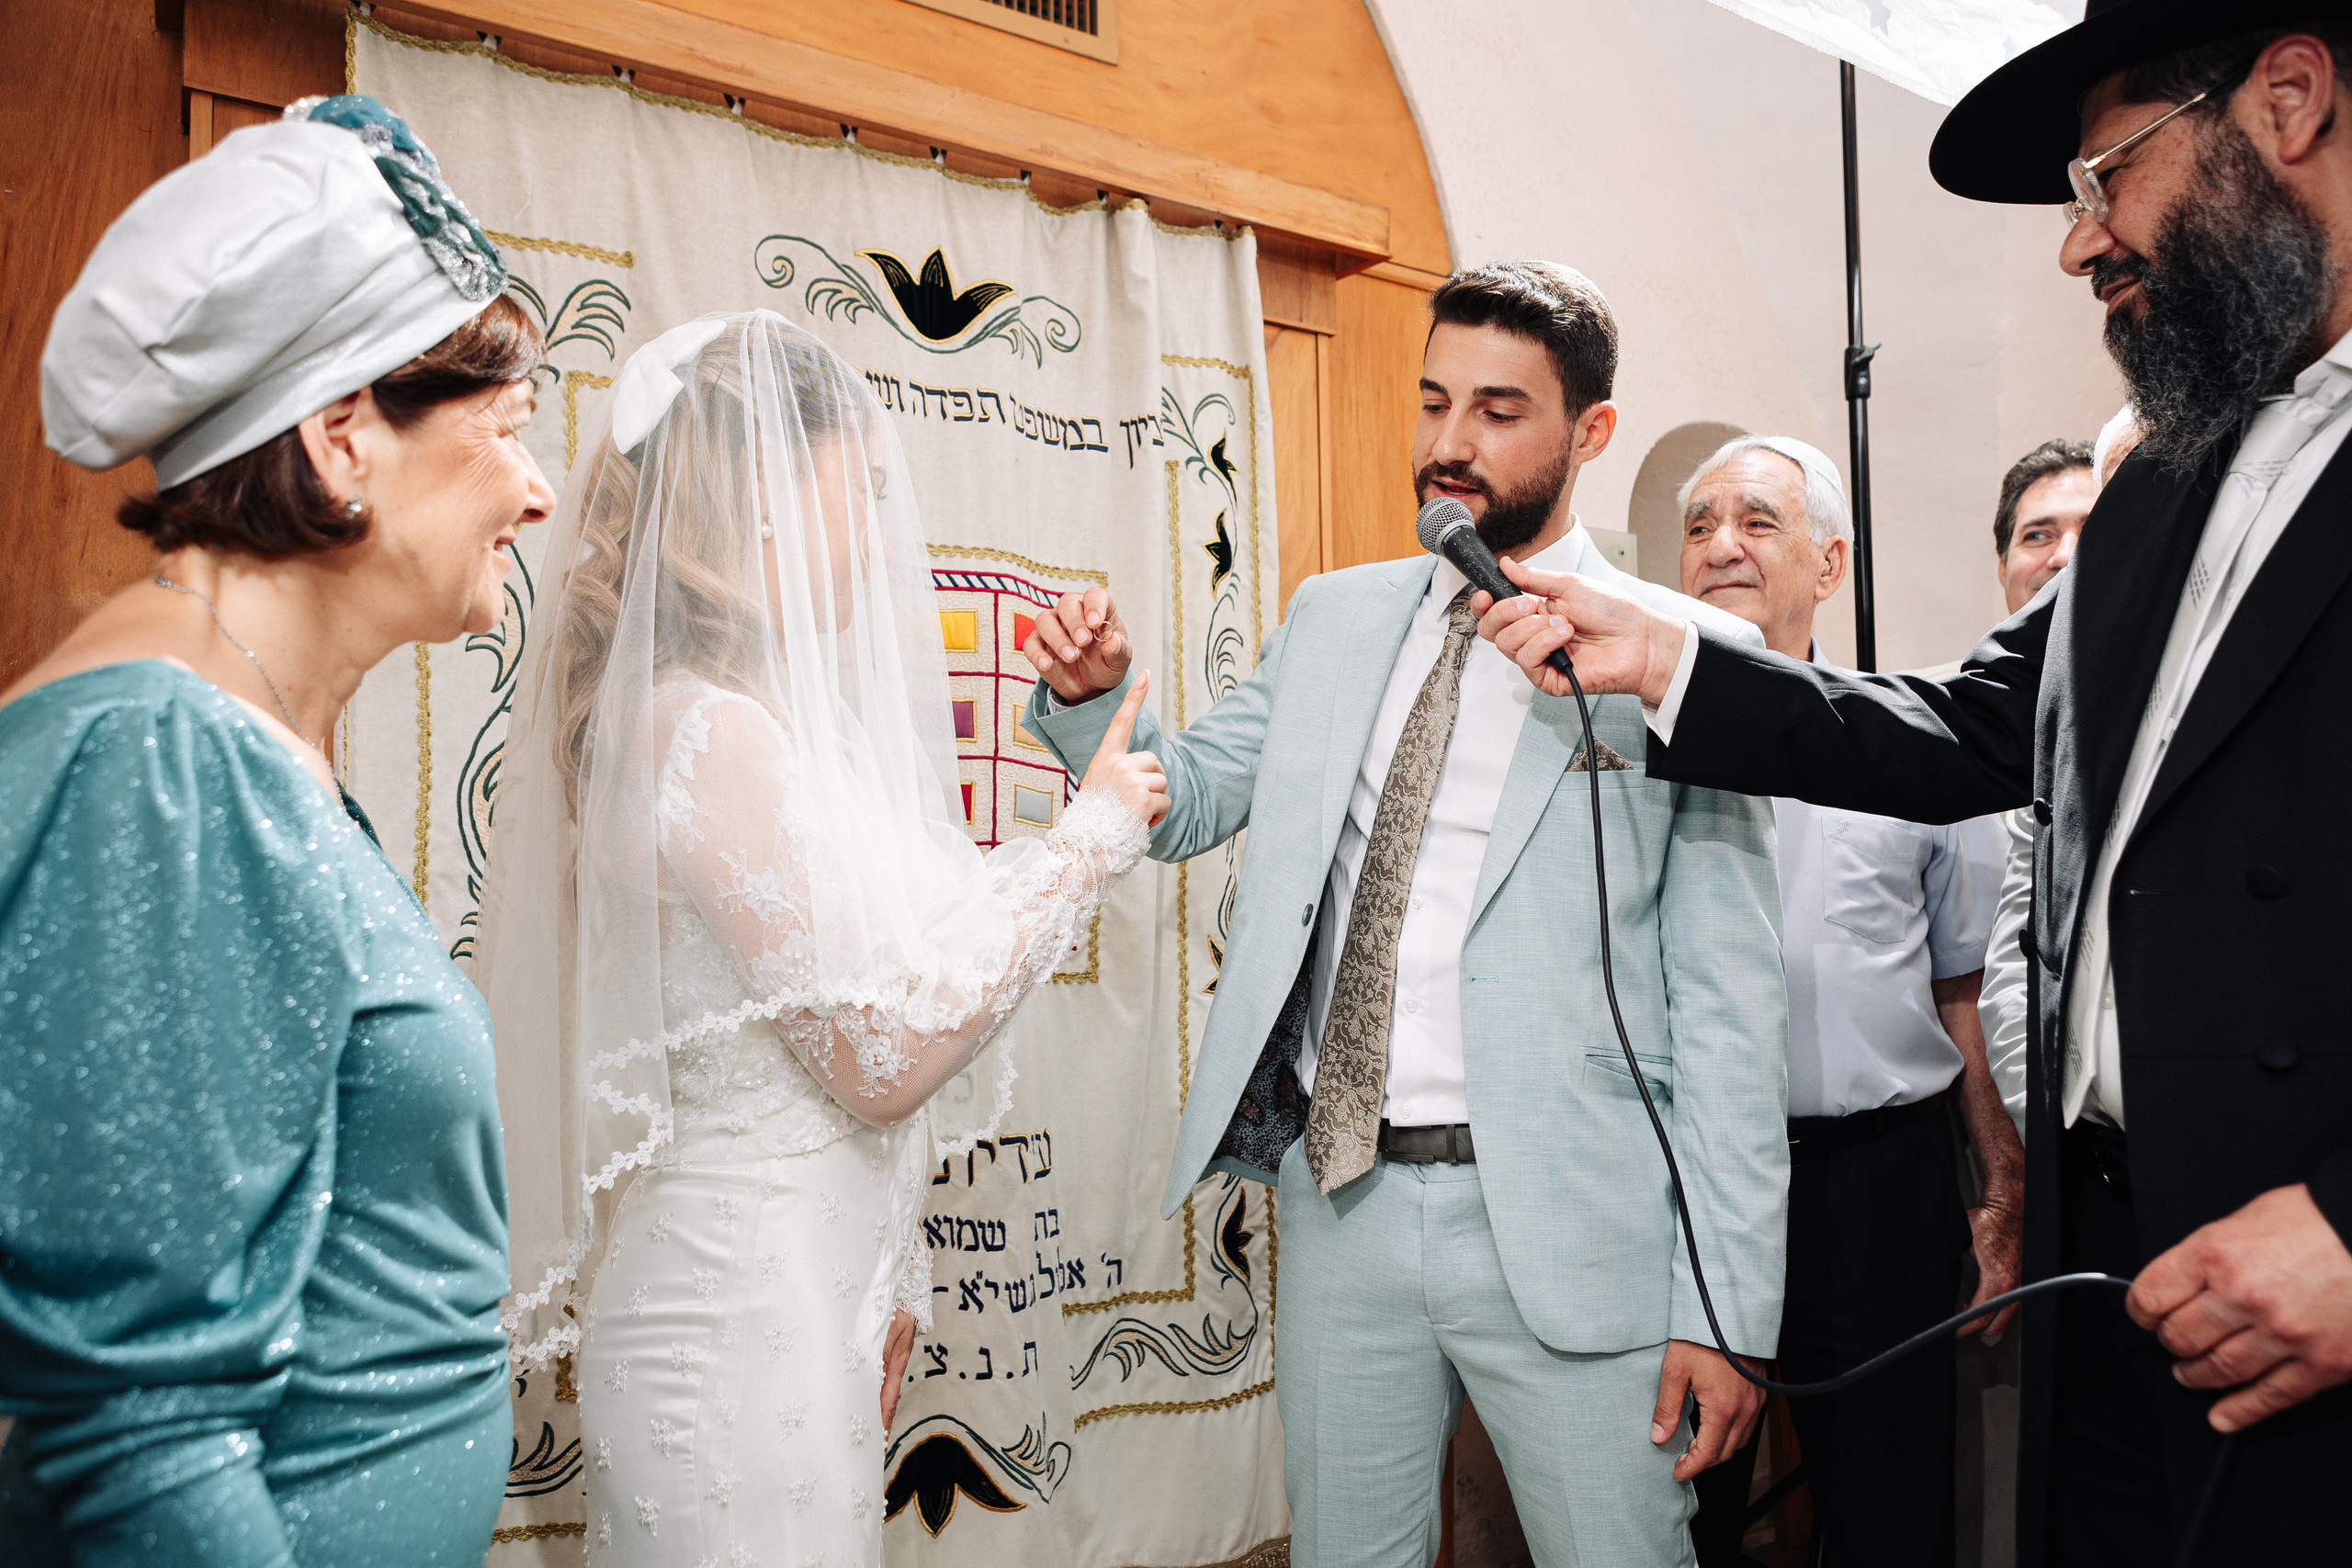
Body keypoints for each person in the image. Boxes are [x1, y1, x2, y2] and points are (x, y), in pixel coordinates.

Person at [1475, 15, 2352, 1563]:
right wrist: (1668, 658)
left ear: (2287, 103)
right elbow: (1965, 724)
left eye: (2104, 175)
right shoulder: (2161, 476)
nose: (2082, 242)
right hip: (2120, 1261)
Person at [1018, 262, 1788, 1568]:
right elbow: (1198, 794)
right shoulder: (1335, 617)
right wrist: (1102, 707)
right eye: (1434, 400)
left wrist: (1727, 1306)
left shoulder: (1679, 655)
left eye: (1497, 409)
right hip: (1346, 1200)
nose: (1447, 442)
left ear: (1590, 432)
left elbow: (1729, 1006)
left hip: (1572, 1222)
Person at [473, 312, 1167, 1568]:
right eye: (867, 487)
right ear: (769, 492)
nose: (878, 527)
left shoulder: (754, 725)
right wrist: (1091, 838)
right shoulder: (705, 733)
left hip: (799, 1303)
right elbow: (881, 1047)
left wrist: (886, 1276)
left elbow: (857, 990)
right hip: (735, 1315)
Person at [0, 97, 553, 1566]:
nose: (538, 490)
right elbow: (139, 1426)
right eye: (507, 431)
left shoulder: (252, 736)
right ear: (340, 440)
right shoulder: (163, 760)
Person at [1670, 435, 2018, 1567]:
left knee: (1891, 1507)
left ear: (1828, 565)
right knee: (1680, 1508)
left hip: (1879, 1189)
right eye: (1700, 522)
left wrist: (1999, 1190)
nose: (1722, 544)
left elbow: (1958, 987)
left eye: (1758, 521)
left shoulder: (1916, 744)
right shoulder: (1622, 752)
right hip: (1686, 1189)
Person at [1978, 434, 2110, 1135]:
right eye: (2038, 535)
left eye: (2093, 528)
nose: (2063, 556)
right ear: (2002, 566)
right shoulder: (1934, 720)